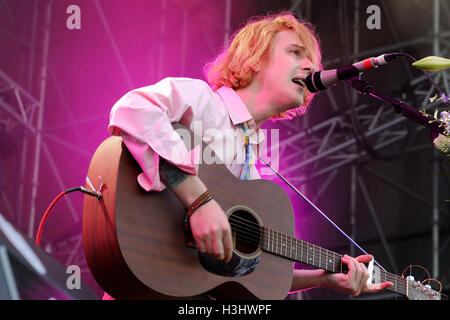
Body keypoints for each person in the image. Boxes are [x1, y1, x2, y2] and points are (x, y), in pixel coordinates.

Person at [105, 11, 392, 299]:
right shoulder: (201, 101)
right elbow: (132, 110)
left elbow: (247, 274)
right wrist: (200, 201)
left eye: (313, 62)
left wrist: (323, 278)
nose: (309, 66)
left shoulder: (253, 165)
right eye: (295, 52)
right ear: (254, 57)